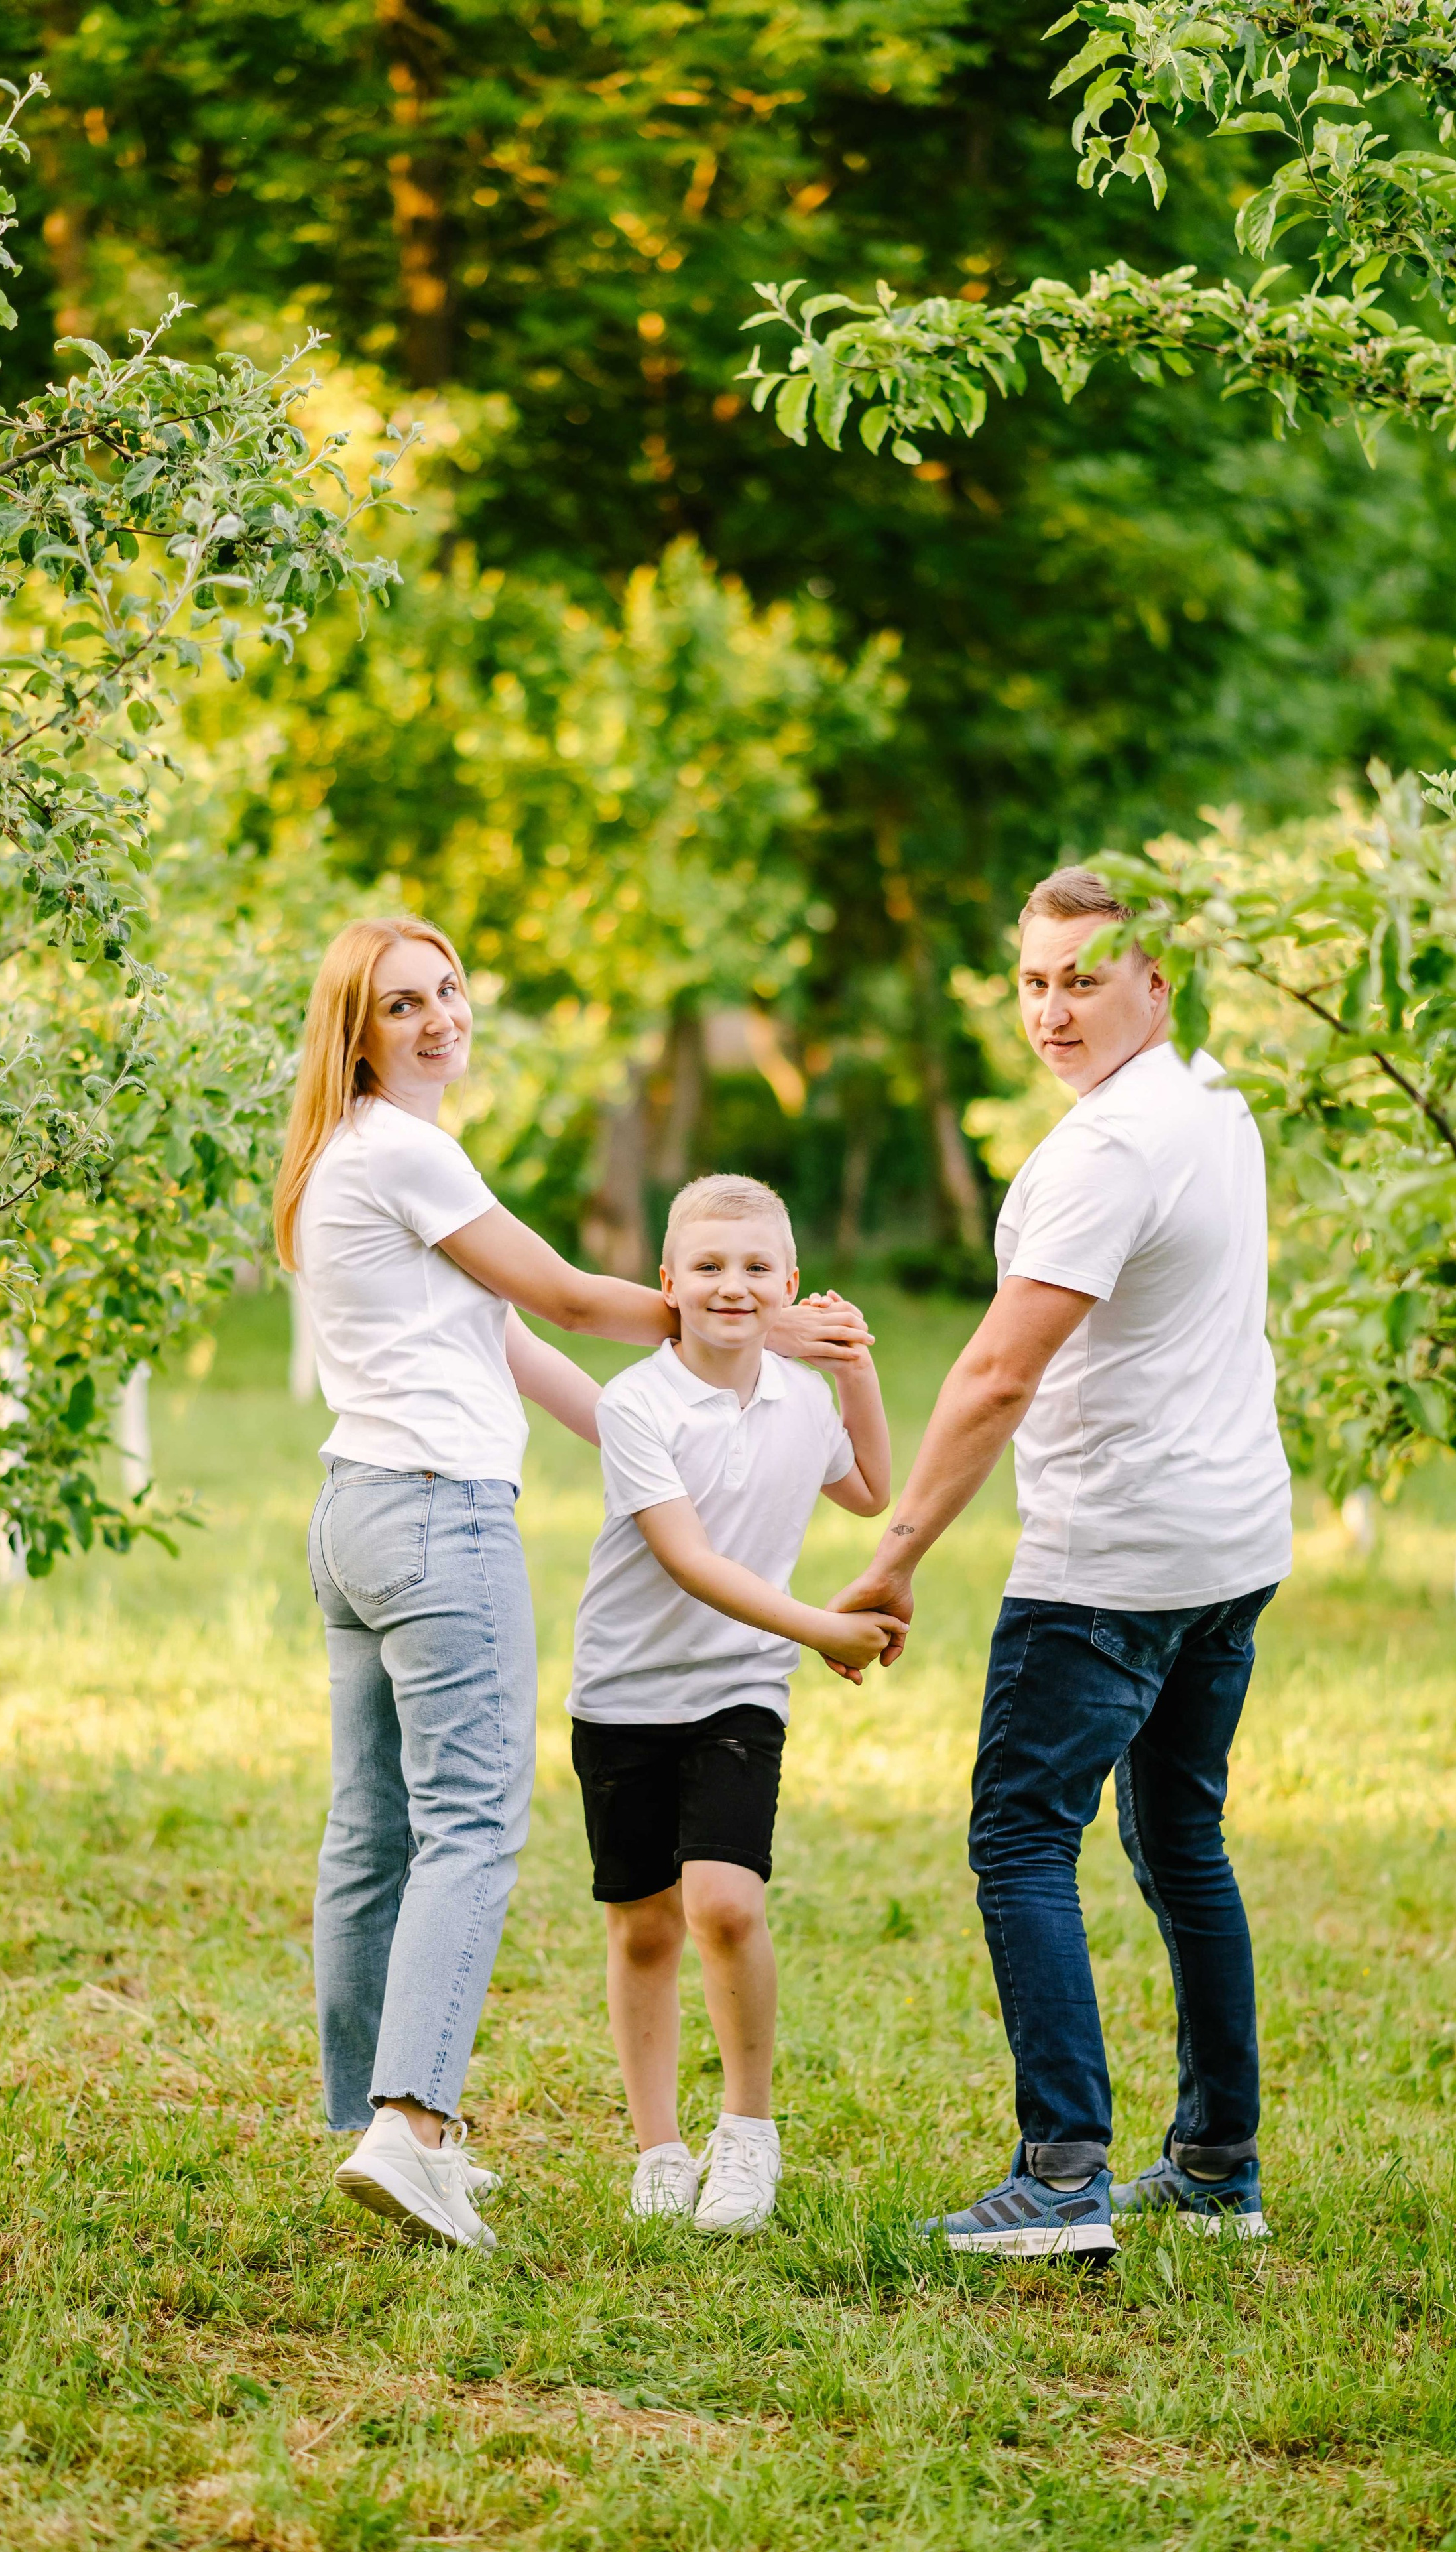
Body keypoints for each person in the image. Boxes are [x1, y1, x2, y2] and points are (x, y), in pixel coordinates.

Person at [272, 917, 871, 2253]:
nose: (439, 1019)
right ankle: (412, 2124)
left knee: (370, 1834)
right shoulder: (409, 1151)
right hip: (436, 1523)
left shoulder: (342, 1157)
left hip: (353, 1515)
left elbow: (505, 1336)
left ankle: (361, 2123)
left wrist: (652, 1435)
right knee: (468, 1826)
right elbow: (565, 1292)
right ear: (356, 1035)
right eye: (403, 1005)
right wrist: (741, 1318)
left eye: (449, 991)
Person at [830, 866, 1293, 2260]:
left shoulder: (1106, 1152)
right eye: (1032, 981)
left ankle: (1059, 2172)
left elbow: (989, 1376)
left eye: (1082, 979)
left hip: (1113, 1558)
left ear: (1159, 979)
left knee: (1020, 1837)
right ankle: (1215, 2165)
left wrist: (895, 1551)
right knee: (1179, 1839)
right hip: (1229, 1543)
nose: (1050, 1010)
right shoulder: (1211, 1102)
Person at [566, 1175, 899, 2235]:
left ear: (790, 1285)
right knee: (646, 1928)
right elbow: (690, 1561)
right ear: (668, 1285)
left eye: (756, 1268)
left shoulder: (801, 1396)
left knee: (726, 1904)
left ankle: (746, 2133)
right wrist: (822, 1627)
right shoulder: (637, 1404)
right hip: (622, 1692)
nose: (733, 1287)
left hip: (740, 1688)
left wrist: (856, 1372)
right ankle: (658, 2148)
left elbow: (868, 1489)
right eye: (708, 1267)